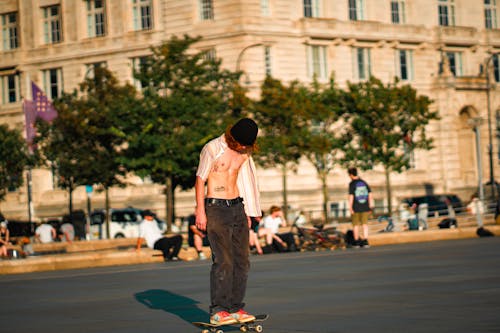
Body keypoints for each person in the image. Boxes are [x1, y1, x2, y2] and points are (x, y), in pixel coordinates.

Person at [195, 118, 261, 325]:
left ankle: (235, 308)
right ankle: (218, 310)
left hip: (238, 207)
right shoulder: (212, 148)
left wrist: (252, 210)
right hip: (216, 207)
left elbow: (248, 179)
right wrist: (200, 211)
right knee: (223, 260)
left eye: (246, 145)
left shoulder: (245, 152)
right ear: (232, 137)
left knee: (242, 261)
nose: (242, 148)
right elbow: (200, 179)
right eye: (240, 143)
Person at [347, 167, 373, 248]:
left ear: (351, 175)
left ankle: (357, 241)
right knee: (365, 224)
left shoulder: (352, 184)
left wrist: (350, 207)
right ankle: (365, 240)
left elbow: (351, 196)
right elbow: (370, 194)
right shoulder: (364, 182)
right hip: (365, 206)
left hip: (356, 206)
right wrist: (370, 205)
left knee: (355, 225)